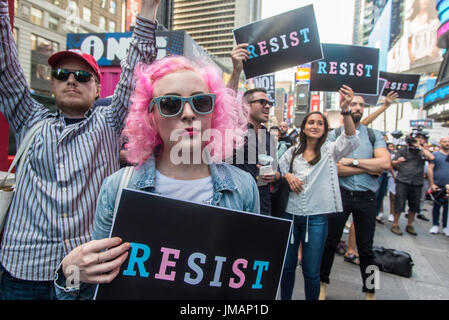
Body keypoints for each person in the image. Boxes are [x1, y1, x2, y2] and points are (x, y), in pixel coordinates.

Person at [54, 55, 260, 299]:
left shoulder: (243, 187)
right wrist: (69, 274)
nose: (188, 114)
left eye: (201, 102)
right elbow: (95, 287)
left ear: (214, 111)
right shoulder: (118, 187)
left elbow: (250, 285)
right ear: (149, 115)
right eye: (171, 104)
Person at [0, 0, 161, 300]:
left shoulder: (109, 123)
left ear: (99, 88)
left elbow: (137, 71)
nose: (71, 79)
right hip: (23, 269)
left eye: (83, 76)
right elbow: (5, 66)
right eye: (62, 75)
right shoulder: (29, 118)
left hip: (82, 270)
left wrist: (148, 11)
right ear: (52, 85)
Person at [279, 85, 360, 300]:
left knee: (311, 272)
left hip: (315, 221)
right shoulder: (292, 151)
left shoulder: (330, 150)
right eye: (311, 122)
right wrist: (287, 176)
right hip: (290, 217)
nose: (315, 126)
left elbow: (351, 139)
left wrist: (345, 110)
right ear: (304, 128)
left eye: (320, 123)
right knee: (286, 269)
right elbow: (279, 168)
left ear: (325, 129)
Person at [319, 93, 391, 301]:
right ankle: (322, 284)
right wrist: (368, 167)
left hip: (367, 198)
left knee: (367, 248)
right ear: (345, 108)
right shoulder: (334, 135)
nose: (357, 107)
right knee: (330, 243)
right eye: (353, 104)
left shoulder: (374, 134)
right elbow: (332, 168)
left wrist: (351, 162)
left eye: (360, 104)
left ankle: (371, 290)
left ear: (364, 109)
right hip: (339, 195)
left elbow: (384, 164)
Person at [226, 44, 280, 215]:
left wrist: (274, 176)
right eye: (262, 102)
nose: (267, 106)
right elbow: (226, 103)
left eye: (269, 103)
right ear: (246, 106)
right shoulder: (236, 128)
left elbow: (277, 171)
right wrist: (236, 71)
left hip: (262, 202)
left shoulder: (268, 137)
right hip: (236, 201)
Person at [391, 133, 435, 236]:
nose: (418, 140)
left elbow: (431, 157)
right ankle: (395, 224)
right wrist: (398, 161)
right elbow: (392, 162)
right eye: (416, 138)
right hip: (403, 180)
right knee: (399, 202)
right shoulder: (403, 150)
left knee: (414, 205)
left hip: (417, 182)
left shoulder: (423, 151)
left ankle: (409, 224)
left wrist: (419, 147)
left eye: (421, 138)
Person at [427, 137, 449, 236]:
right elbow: (430, 169)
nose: (447, 143)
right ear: (440, 143)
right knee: (436, 205)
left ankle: (445, 227)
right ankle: (435, 225)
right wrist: (432, 183)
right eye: (445, 142)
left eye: (448, 142)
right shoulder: (435, 155)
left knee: (447, 207)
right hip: (438, 184)